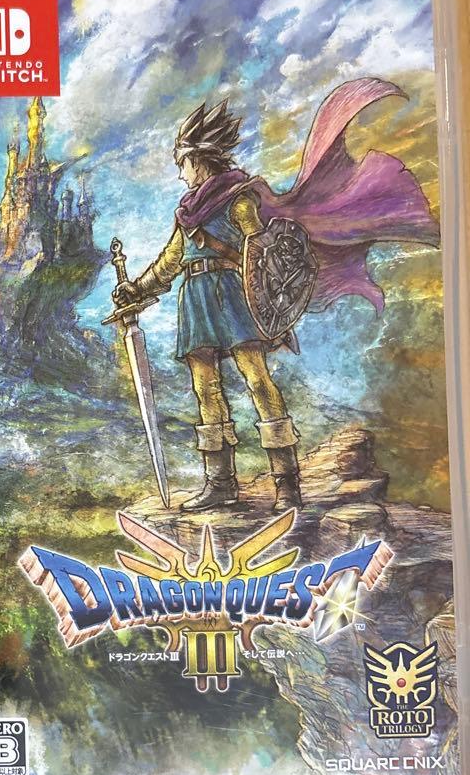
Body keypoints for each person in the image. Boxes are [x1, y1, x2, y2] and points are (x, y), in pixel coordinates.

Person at [112, 79, 439, 512]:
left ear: (199, 160)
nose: (180, 173)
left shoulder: (238, 202)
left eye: (183, 163)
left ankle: (287, 483)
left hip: (234, 297)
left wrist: (238, 268)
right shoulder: (187, 214)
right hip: (195, 300)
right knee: (205, 388)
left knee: (257, 380)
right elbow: (171, 261)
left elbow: (267, 256)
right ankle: (220, 484)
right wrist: (136, 288)